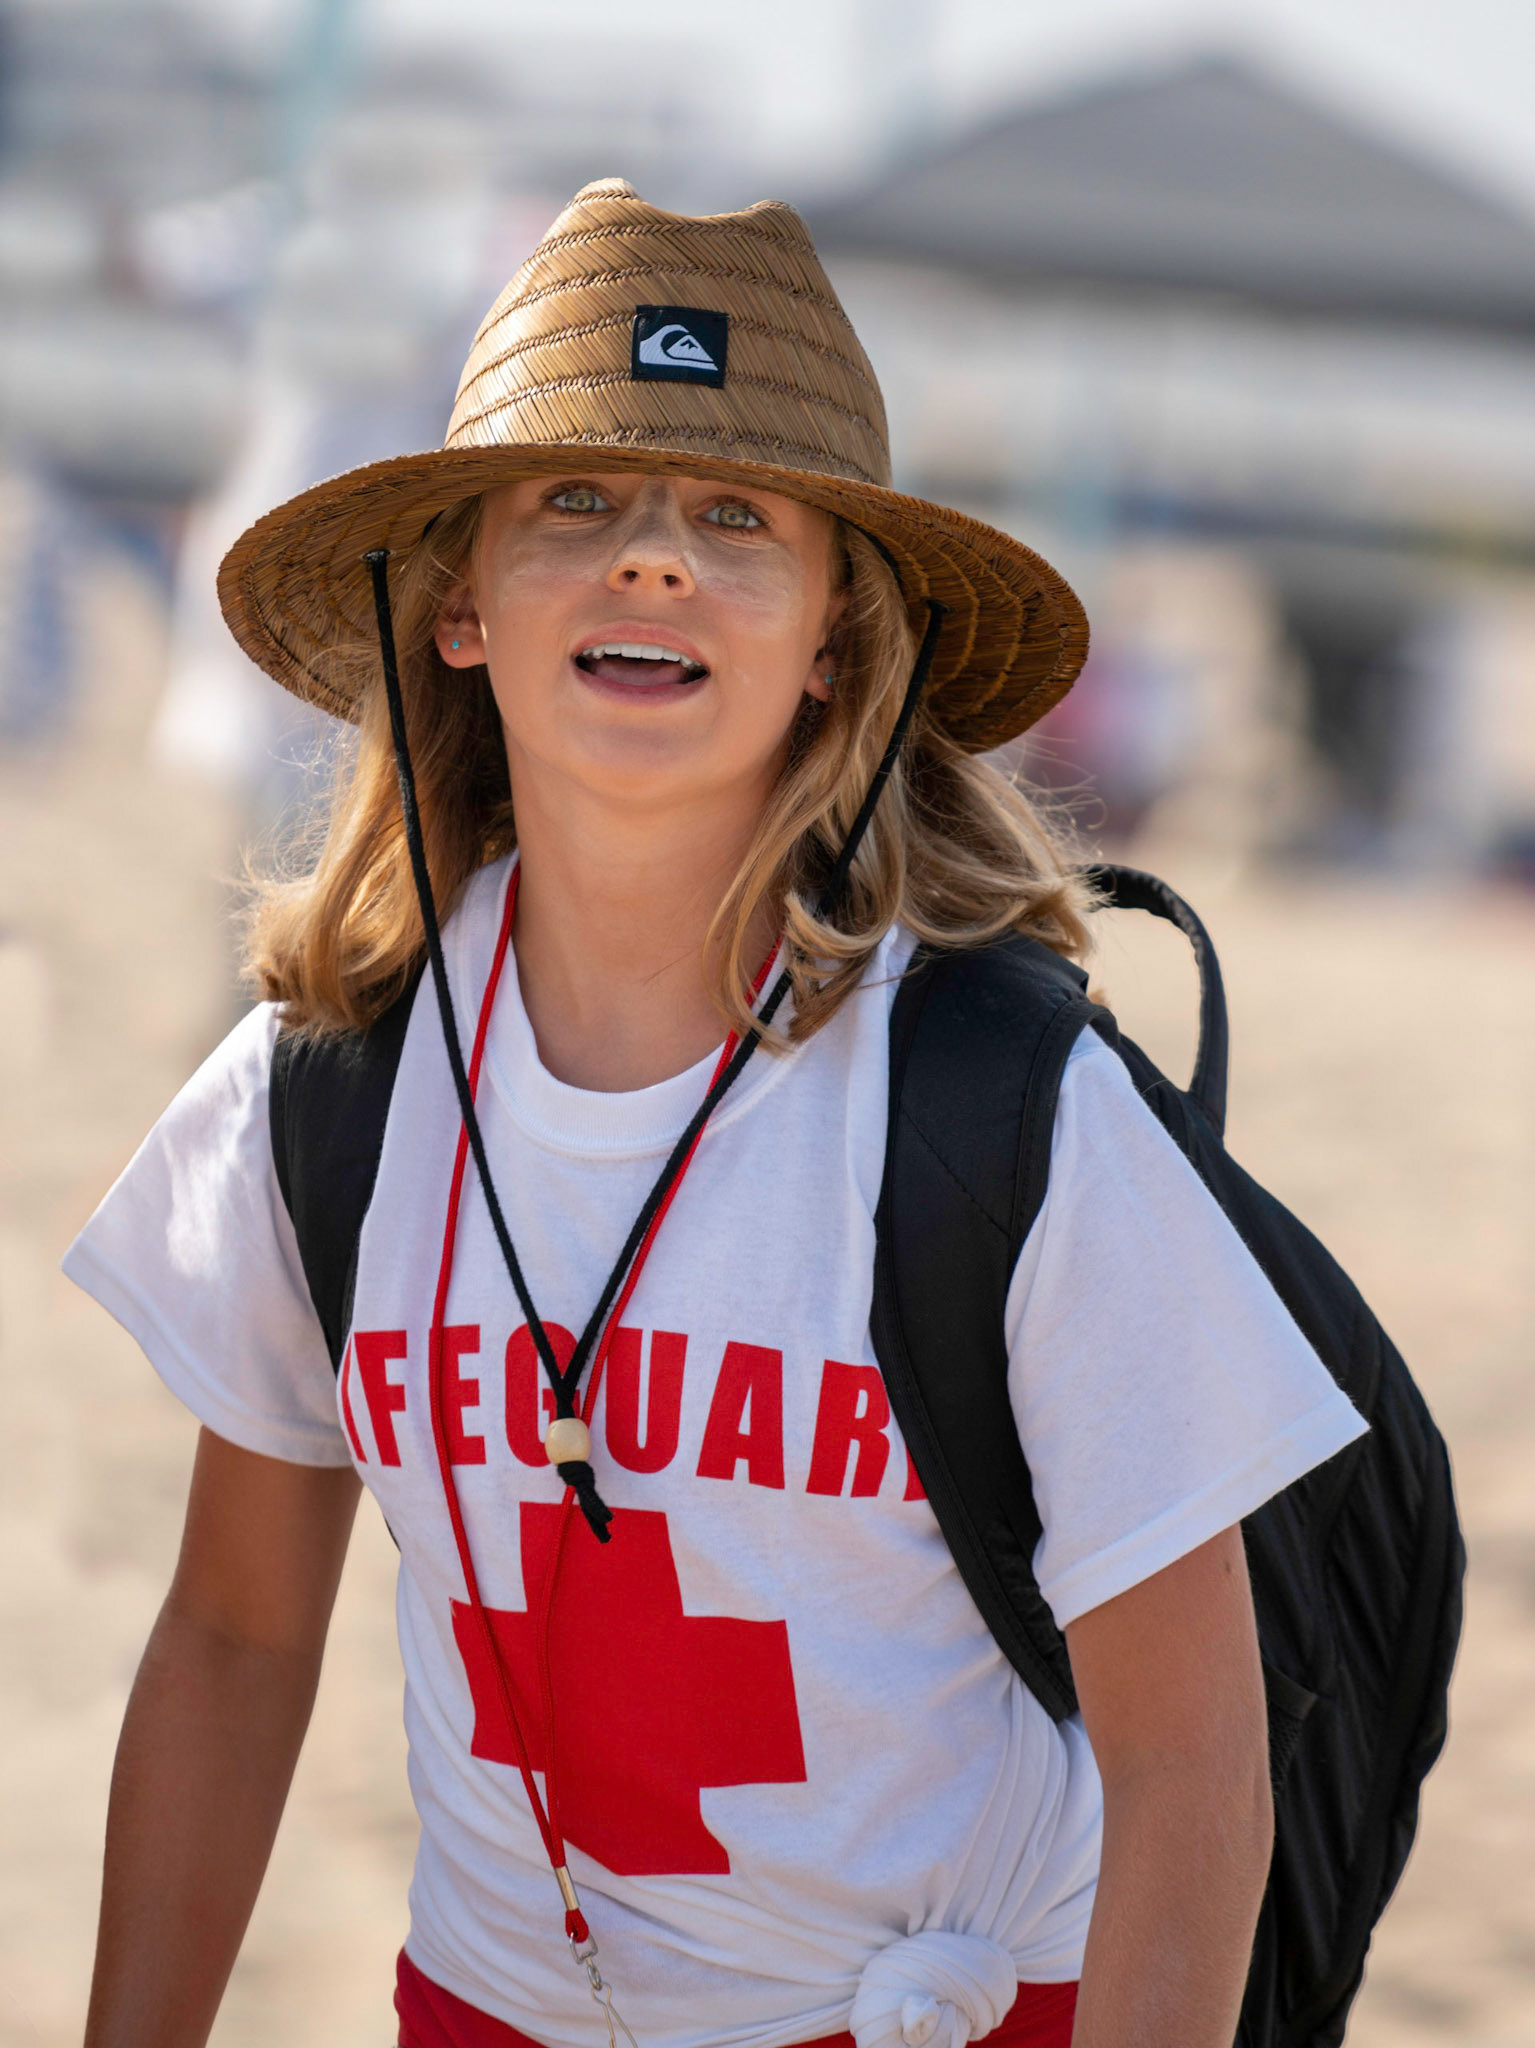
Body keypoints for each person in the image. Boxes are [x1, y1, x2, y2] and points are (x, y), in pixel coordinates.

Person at [64, 180, 1365, 2048]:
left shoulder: (1004, 1116)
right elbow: (236, 1637)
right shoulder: (326, 1093)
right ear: (455, 610)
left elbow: (1192, 1763)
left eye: (736, 518)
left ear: (838, 640)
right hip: (488, 2015)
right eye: (574, 502)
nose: (653, 561)